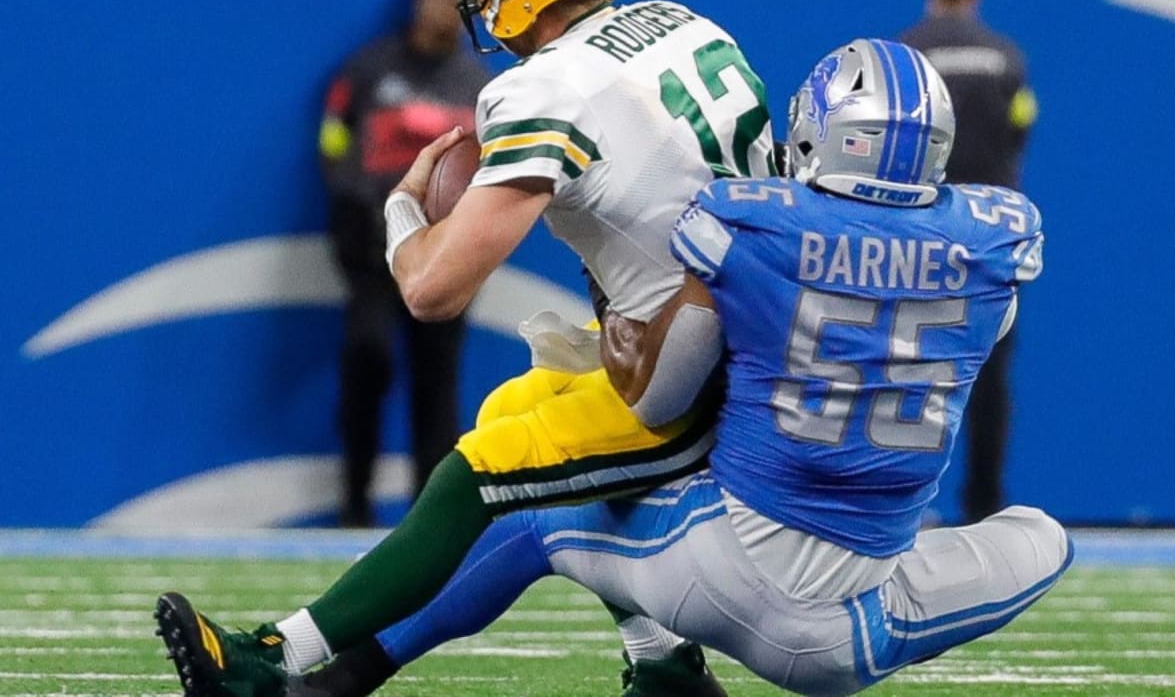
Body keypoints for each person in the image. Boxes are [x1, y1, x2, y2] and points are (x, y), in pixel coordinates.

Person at [280, 38, 1071, 696]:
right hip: (863, 619)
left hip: (730, 571)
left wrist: (620, 334)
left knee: (549, 507)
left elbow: (660, 396)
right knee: (1043, 537)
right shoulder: (994, 243)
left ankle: (337, 675)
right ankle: (668, 678)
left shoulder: (751, 227)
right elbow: (960, 315)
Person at [154, 0, 775, 697]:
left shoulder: (545, 87)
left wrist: (404, 215)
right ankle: (662, 659)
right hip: (746, 326)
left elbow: (434, 290)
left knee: (483, 470)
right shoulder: (685, 26)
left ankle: (277, 657)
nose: (476, 2)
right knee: (519, 412)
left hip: (691, 371)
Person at [318, 0, 492, 527]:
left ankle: (428, 517)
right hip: (374, 249)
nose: (449, 4)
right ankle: (354, 502)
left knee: (437, 382)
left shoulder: (481, 89)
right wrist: (358, 209)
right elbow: (334, 138)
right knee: (368, 357)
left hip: (447, 249)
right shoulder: (370, 69)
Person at [898, 0, 1037, 524]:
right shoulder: (1006, 57)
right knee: (988, 378)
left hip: (914, 237)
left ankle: (898, 505)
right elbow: (1020, 130)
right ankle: (983, 510)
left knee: (899, 373)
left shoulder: (904, 55)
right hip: (988, 241)